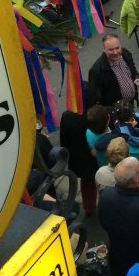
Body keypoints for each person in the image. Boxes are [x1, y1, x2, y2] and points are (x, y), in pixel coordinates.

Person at [59, 83, 101, 215]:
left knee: (87, 183)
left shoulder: (67, 116)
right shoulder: (97, 116)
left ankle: (89, 208)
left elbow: (64, 139)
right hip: (97, 155)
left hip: (79, 158)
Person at [88, 33, 139, 107]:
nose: (115, 52)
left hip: (130, 103)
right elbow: (96, 98)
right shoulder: (96, 71)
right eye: (111, 49)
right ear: (104, 49)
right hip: (115, 110)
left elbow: (133, 69)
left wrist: (137, 76)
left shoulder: (126, 53)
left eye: (117, 48)